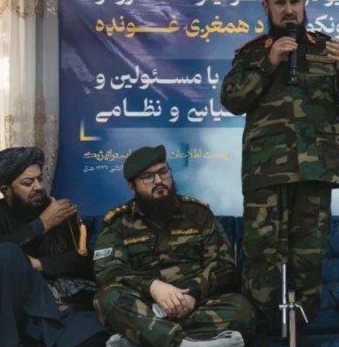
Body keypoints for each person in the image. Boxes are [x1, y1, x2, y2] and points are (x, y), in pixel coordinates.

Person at [220, 0, 339, 333]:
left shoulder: (327, 48)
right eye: (280, 3)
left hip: (315, 169)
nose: (289, 9)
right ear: (266, 7)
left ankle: (299, 331)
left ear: (304, 3)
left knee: (308, 255)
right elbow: (232, 100)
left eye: (295, 1)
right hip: (266, 172)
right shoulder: (253, 53)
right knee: (262, 255)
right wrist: (268, 63)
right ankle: (263, 332)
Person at [92, 145, 254, 347]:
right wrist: (153, 287)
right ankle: (183, 343)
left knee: (242, 309)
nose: (159, 181)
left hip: (194, 302)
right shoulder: (118, 223)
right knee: (107, 298)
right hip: (145, 304)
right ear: (132, 187)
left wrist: (193, 292)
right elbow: (108, 270)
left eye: (163, 172)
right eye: (147, 177)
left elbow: (223, 264)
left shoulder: (198, 214)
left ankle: (143, 336)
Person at [0, 147, 108, 347]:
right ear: (6, 190)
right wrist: (41, 225)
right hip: (18, 311)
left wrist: (39, 264)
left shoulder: (60, 211)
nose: (38, 187)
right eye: (28, 183)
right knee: (6, 254)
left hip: (63, 305)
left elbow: (84, 261)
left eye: (40, 179)